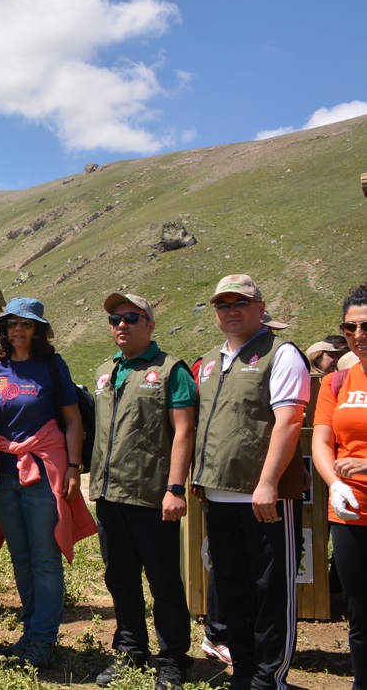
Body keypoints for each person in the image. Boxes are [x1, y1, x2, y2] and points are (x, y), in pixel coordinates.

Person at [191, 274, 310, 690]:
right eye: (223, 305)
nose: (231, 311)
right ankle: (243, 672)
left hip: (264, 497)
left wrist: (267, 484)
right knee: (233, 589)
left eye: (240, 303)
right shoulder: (207, 362)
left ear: (261, 308)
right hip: (218, 496)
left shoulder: (282, 354)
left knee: (270, 593)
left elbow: (289, 421)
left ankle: (268, 677)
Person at [89, 293, 196, 690]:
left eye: (131, 317)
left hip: (153, 496)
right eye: (115, 318)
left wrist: (175, 488)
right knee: (119, 577)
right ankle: (131, 650)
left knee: (164, 580)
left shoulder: (171, 371)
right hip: (109, 494)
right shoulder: (105, 371)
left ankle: (173, 659)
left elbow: (184, 431)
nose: (121, 324)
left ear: (150, 325)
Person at [0, 296, 96, 670]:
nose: (18, 329)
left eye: (27, 324)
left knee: (45, 558)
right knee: (21, 556)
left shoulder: (51, 365)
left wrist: (75, 466)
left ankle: (44, 639)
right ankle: (31, 631)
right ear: (3, 328)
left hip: (44, 469)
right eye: (12, 323)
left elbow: (72, 419)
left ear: (38, 330)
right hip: (3, 472)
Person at [311, 283, 367, 690]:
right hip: (349, 511)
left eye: (366, 326)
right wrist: (334, 483)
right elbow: (321, 440)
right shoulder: (337, 382)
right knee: (359, 612)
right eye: (350, 328)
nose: (359, 335)